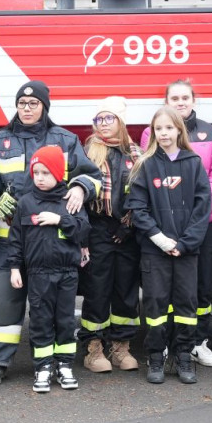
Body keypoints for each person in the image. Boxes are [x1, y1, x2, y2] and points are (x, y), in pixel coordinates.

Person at [0, 80, 100, 386]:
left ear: (44, 107)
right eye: (21, 104)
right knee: (4, 299)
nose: (27, 109)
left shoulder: (65, 140)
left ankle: (55, 362)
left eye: (33, 104)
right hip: (10, 239)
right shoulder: (0, 141)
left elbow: (92, 176)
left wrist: (82, 188)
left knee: (54, 308)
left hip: (54, 244)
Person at [140, 80, 212, 367]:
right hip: (161, 240)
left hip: (195, 233)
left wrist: (190, 236)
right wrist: (161, 238)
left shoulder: (207, 136)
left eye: (185, 97)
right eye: (174, 97)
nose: (180, 101)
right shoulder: (149, 158)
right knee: (158, 298)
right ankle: (160, 350)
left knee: (194, 294)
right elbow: (142, 201)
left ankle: (191, 347)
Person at [125, 108, 212, 384]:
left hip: (186, 251)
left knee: (187, 303)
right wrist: (160, 239)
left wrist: (185, 243)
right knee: (155, 303)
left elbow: (203, 207)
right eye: (158, 128)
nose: (163, 133)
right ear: (153, 132)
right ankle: (155, 356)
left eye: (168, 128)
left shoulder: (193, 163)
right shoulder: (145, 165)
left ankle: (184, 356)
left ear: (178, 131)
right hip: (155, 251)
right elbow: (137, 209)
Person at [7, 146, 90, 392]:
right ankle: (42, 367)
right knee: (41, 320)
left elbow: (84, 232)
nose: (40, 178)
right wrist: (14, 268)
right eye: (36, 172)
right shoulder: (26, 202)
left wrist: (60, 220)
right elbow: (15, 239)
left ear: (58, 173)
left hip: (67, 273)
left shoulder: (70, 201)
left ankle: (64, 365)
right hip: (38, 274)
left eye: (46, 172)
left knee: (65, 320)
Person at [79, 96, 141, 373]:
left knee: (126, 290)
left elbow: (143, 193)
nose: (103, 124)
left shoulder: (136, 154)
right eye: (99, 119)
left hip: (127, 231)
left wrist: (129, 224)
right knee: (98, 288)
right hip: (99, 229)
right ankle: (94, 348)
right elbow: (79, 196)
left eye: (109, 118)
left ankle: (121, 346)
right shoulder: (89, 152)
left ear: (121, 122)